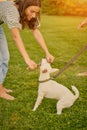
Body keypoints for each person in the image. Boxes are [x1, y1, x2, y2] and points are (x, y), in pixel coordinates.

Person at [0, 0, 54, 100]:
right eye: (32, 11)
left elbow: (36, 31)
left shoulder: (29, 13)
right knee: (1, 58)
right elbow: (16, 36)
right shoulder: (12, 10)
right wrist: (27, 59)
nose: (34, 15)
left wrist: (47, 52)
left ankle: (0, 87)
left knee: (4, 58)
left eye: (36, 13)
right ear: (24, 6)